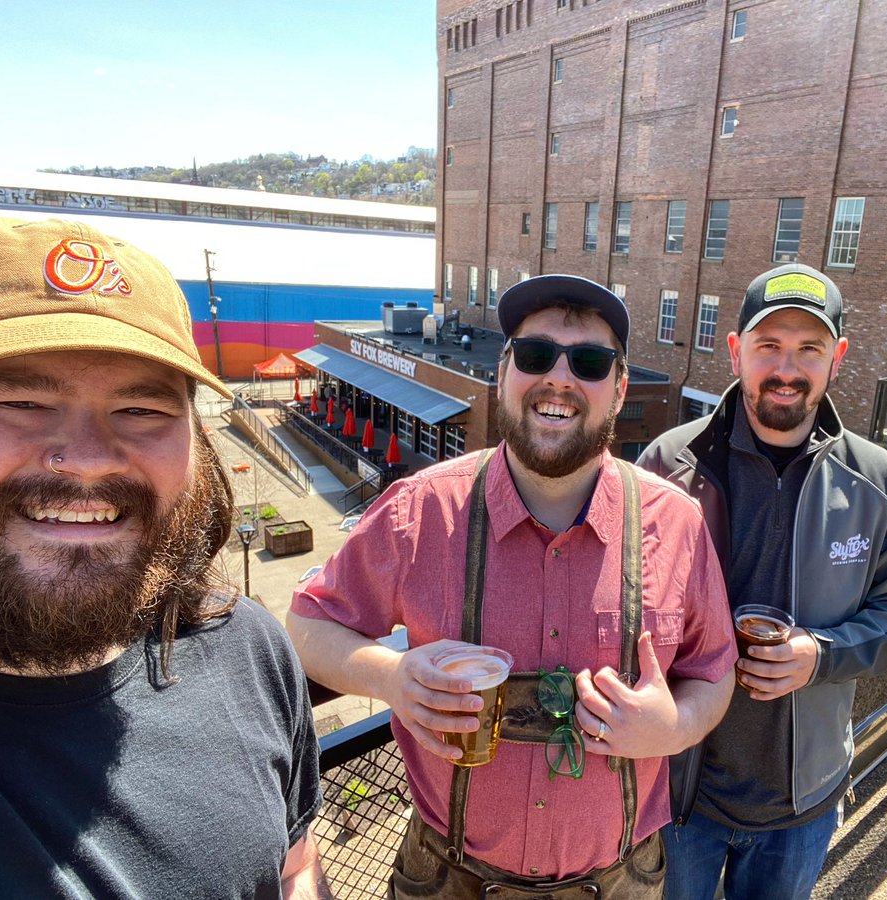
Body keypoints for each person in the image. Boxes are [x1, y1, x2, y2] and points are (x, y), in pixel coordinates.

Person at [288, 274, 737, 898]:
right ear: (503, 373)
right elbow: (308, 624)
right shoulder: (420, 509)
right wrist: (389, 677)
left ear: (619, 388)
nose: (559, 377)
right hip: (450, 879)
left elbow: (715, 669)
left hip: (620, 882)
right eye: (535, 355)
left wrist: (677, 728)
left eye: (588, 361)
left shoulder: (677, 523)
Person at [0, 216, 328, 899]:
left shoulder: (246, 646)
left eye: (140, 409)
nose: (92, 458)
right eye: (20, 399)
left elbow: (296, 865)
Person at [638, 263, 887, 900]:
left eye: (809, 349)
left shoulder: (876, 478)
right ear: (735, 351)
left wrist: (822, 655)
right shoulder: (665, 466)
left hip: (802, 804)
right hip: (675, 790)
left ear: (838, 358)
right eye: (768, 346)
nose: (786, 368)